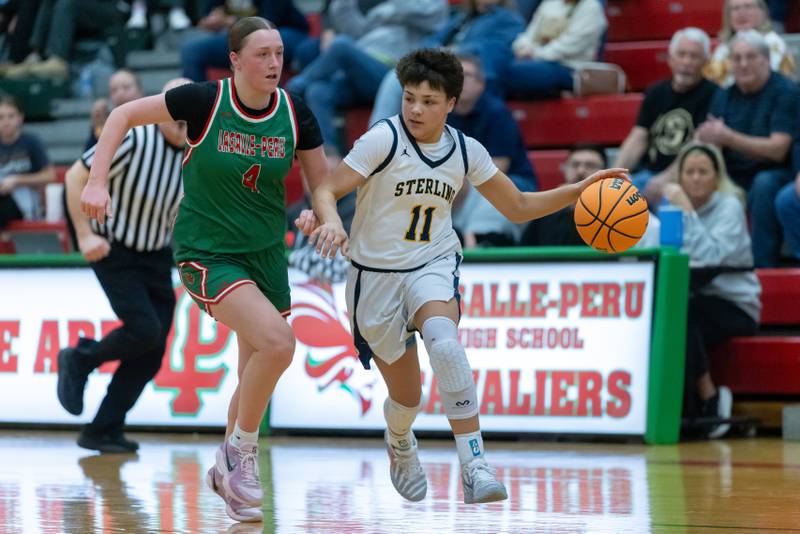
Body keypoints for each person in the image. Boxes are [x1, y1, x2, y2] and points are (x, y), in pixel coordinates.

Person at [306, 48, 628, 504]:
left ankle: (474, 462)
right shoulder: (383, 138)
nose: (416, 109)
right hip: (373, 275)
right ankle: (400, 441)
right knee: (408, 400)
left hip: (431, 263)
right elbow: (326, 189)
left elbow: (518, 206)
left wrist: (576, 190)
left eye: (429, 101)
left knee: (445, 340)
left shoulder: (465, 150)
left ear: (452, 103)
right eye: (410, 98)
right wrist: (333, 221)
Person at [80, 17, 329, 523]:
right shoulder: (203, 101)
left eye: (279, 53)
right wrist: (97, 181)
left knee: (254, 369)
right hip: (207, 253)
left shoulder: (295, 111)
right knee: (280, 343)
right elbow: (122, 114)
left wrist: (323, 216)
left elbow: (322, 183)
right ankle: (239, 454)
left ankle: (227, 469)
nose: (274, 63)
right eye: (262, 54)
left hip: (266, 254)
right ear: (234, 60)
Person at [57, 77, 189, 455]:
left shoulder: (194, 153)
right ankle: (80, 358)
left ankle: (102, 429)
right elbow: (74, 176)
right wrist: (84, 236)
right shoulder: (134, 138)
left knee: (152, 352)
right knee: (145, 329)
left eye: (188, 112)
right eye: (174, 111)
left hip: (157, 253)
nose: (182, 120)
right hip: (114, 249)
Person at [661, 142, 760, 439]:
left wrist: (687, 211)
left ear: (717, 178)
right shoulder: (671, 209)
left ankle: (710, 397)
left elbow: (714, 255)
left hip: (735, 302)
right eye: (688, 172)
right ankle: (678, 406)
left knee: (681, 315)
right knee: (668, 312)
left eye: (703, 172)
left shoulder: (730, 206)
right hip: (697, 295)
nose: (695, 178)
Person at [695, 29, 798, 267]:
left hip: (777, 172)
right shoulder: (724, 95)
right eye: (736, 58)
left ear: (766, 59)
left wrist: (728, 137)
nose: (742, 64)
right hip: (732, 171)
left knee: (764, 184)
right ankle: (701, 267)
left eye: (750, 57)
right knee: (696, 175)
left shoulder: (785, 91)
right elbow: (711, 138)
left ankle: (762, 267)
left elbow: (778, 149)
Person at [613, 28, 717, 195]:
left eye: (694, 56)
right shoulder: (656, 92)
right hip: (648, 173)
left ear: (706, 62)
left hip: (687, 177)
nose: (686, 61)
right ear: (670, 59)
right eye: (681, 54)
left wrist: (666, 178)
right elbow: (638, 137)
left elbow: (698, 146)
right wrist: (613, 174)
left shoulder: (714, 95)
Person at [448, 53, 538, 248]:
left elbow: (499, 167)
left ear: (481, 84)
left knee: (490, 196)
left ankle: (481, 243)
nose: (460, 81)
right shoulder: (442, 116)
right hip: (462, 184)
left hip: (511, 182)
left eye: (467, 75)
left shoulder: (497, 113)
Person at [521, 144, 660, 247]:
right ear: (564, 169)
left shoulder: (625, 209)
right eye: (575, 165)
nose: (581, 170)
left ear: (606, 172)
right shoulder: (545, 210)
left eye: (590, 165)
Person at [180, 0, 309, 82]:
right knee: (191, 50)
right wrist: (210, 20)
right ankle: (198, 110)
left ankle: (271, 108)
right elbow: (210, 10)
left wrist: (229, 21)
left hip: (288, 33)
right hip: (241, 36)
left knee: (263, 44)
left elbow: (267, 23)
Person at [504, 0, 607, 99]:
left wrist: (534, 53)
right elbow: (529, 35)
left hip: (570, 68)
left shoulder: (591, 7)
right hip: (537, 61)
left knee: (514, 73)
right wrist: (522, 47)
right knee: (503, 67)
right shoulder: (550, 3)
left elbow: (569, 47)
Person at [704, 0, 795, 87]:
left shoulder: (773, 42)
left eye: (748, 6)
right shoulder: (723, 47)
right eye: (735, 8)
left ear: (762, 12)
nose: (741, 13)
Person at [0, 95, 55, 227]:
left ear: (20, 118)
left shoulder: (31, 142)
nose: (6, 121)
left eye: (11, 116)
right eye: (1, 117)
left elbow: (50, 175)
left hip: (26, 204)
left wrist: (17, 180)